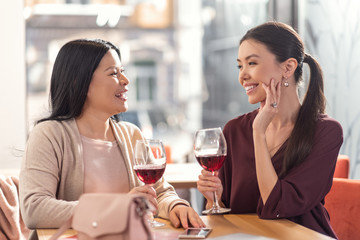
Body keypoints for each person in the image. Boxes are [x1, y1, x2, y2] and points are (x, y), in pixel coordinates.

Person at [19, 38, 205, 240]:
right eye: (114, 73)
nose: (126, 80)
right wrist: (118, 207)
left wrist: (175, 205)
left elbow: (159, 193)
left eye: (122, 71)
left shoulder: (131, 134)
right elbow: (34, 209)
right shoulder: (49, 134)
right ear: (79, 82)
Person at [197, 21, 343, 239]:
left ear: (288, 67)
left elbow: (277, 207)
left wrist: (258, 133)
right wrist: (213, 199)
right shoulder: (233, 131)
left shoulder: (326, 132)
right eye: (240, 66)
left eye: (252, 63)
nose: (242, 75)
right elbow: (223, 221)